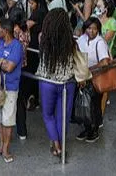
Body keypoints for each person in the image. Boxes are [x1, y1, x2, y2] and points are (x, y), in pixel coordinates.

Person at [37, 9, 76, 158]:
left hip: (47, 81)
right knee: (63, 117)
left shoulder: (43, 38)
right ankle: (61, 143)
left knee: (48, 115)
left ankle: (56, 145)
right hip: (67, 83)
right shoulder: (71, 42)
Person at [0, 18, 23, 164]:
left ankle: (6, 148)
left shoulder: (16, 46)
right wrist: (1, 62)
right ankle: (1, 146)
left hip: (10, 88)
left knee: (8, 120)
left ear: (5, 31)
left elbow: (10, 67)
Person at [76, 17, 110, 142]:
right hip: (84, 76)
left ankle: (94, 129)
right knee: (84, 104)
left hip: (95, 77)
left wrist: (89, 70)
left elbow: (104, 62)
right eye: (89, 28)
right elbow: (78, 51)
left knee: (94, 104)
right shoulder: (82, 39)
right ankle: (87, 128)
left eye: (95, 29)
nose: (91, 31)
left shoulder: (100, 42)